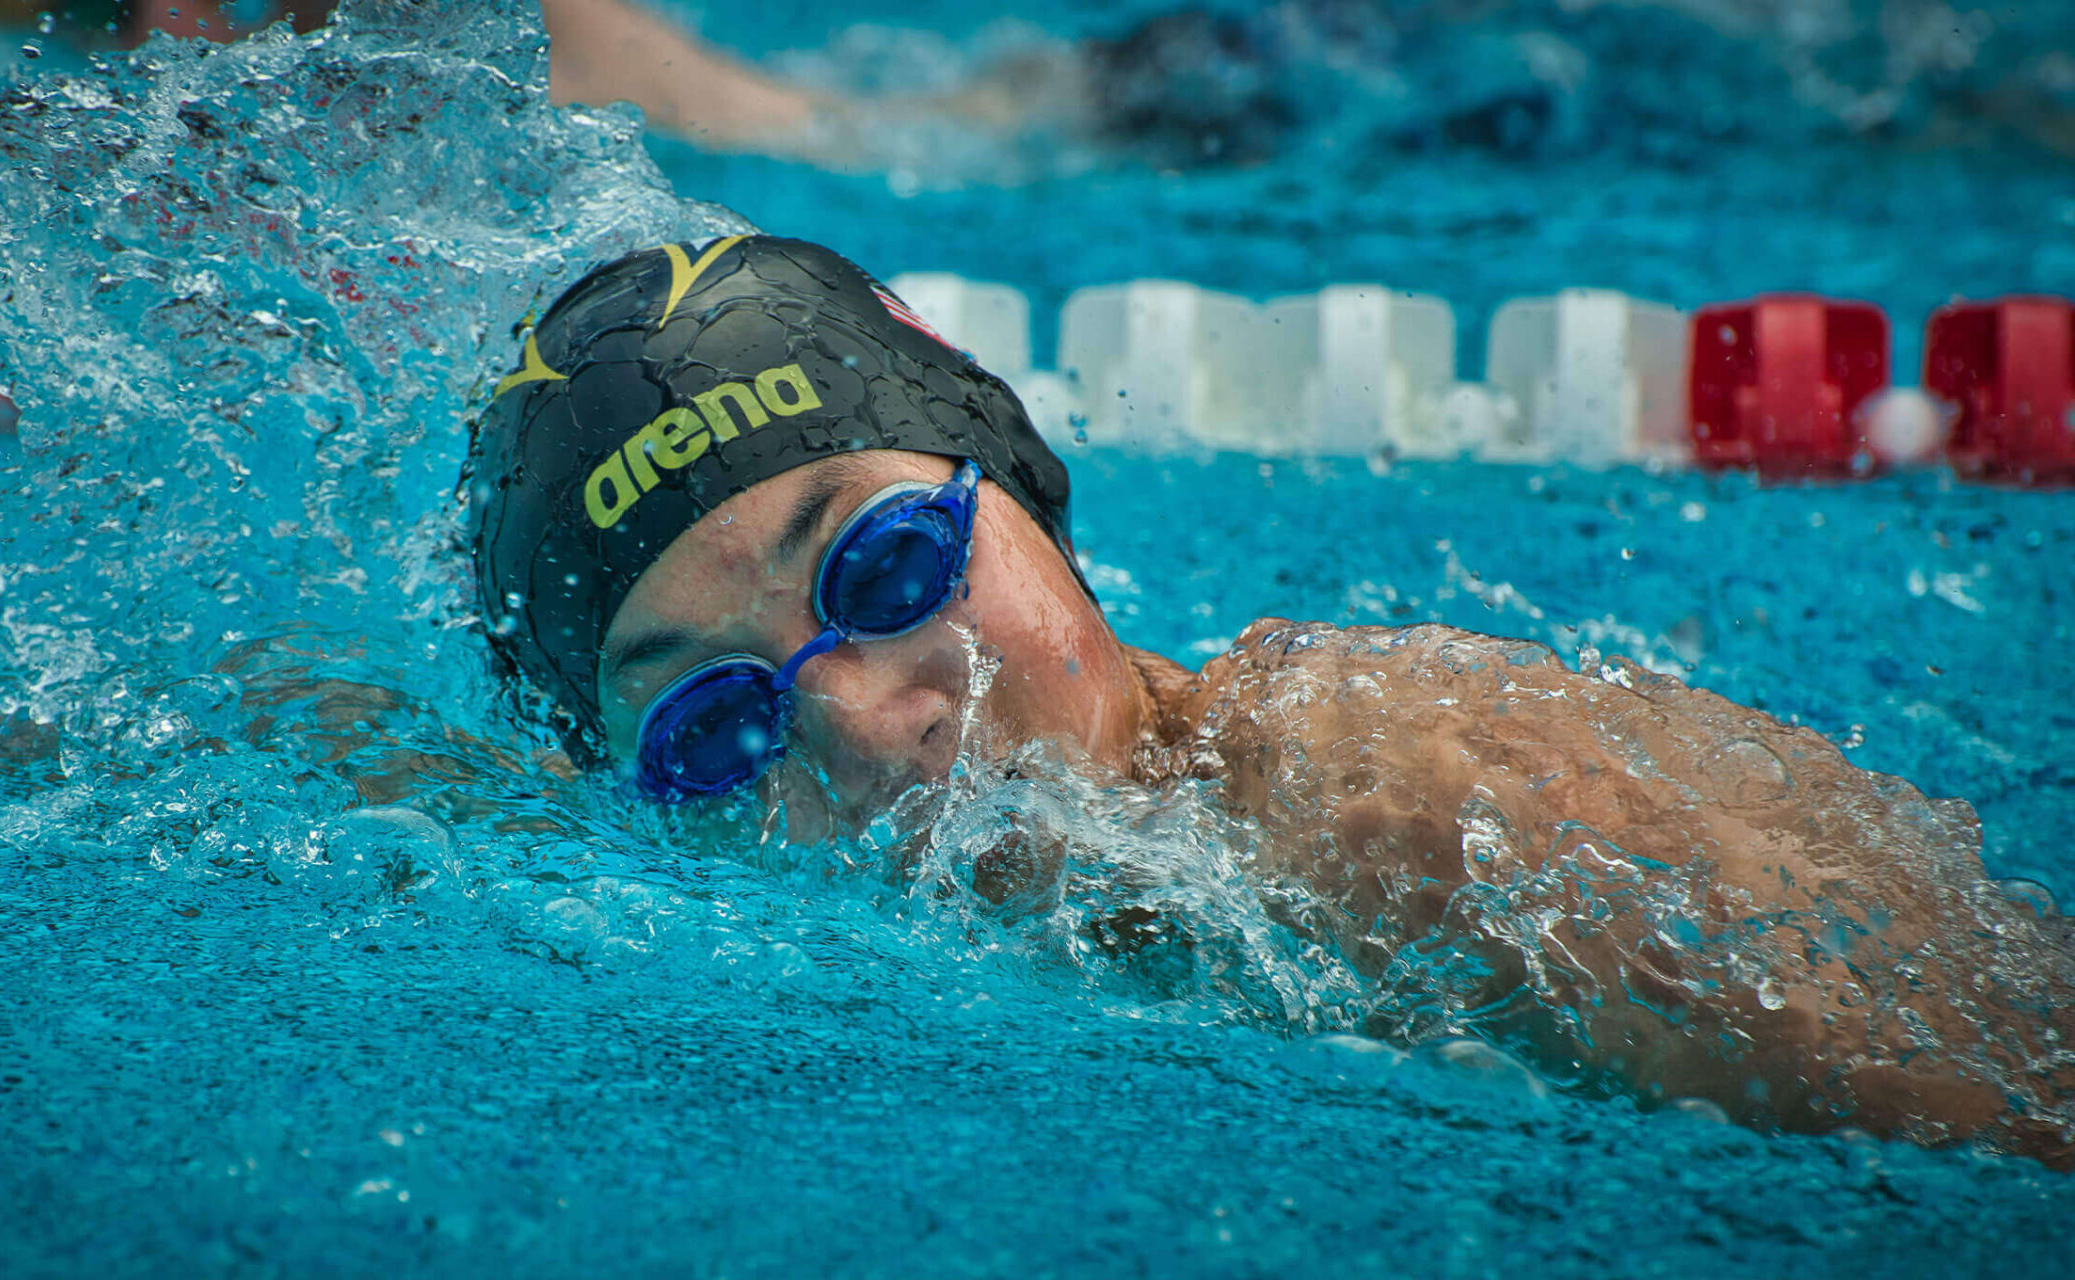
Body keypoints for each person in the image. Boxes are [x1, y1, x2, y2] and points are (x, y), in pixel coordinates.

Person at [464, 233, 2074, 1166]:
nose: (874, 724)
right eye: (712, 729)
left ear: (1023, 491)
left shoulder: (1412, 815)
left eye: (886, 567)